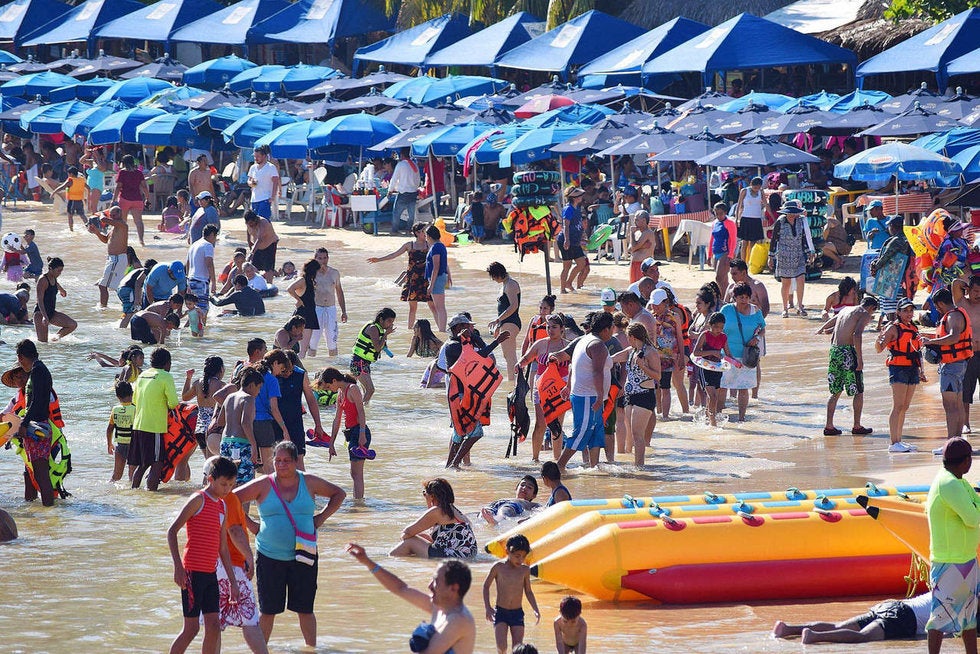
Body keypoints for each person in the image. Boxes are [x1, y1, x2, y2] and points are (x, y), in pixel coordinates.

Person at [233, 441, 346, 649]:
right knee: (268, 611)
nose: (282, 465)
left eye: (286, 461)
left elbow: (339, 494)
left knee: (305, 609)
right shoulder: (264, 484)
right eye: (277, 461)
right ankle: (261, 651)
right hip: (269, 556)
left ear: (296, 461)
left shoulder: (309, 482)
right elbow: (232, 499)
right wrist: (251, 526)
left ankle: (311, 649)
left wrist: (319, 519)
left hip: (304, 554)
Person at [347, 543, 477, 654]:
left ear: (453, 588)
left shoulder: (459, 619)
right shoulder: (439, 608)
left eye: (436, 581)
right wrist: (367, 562)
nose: (430, 586)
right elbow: (400, 589)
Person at [166, 455, 238, 654]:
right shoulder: (198, 499)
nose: (227, 489)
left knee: (214, 626)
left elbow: (222, 547)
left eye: (231, 485)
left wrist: (233, 582)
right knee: (191, 629)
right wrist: (178, 568)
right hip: (191, 573)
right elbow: (172, 532)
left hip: (210, 574)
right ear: (211, 480)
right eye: (223, 484)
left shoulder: (222, 505)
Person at [925, 437, 980, 654]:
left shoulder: (958, 481)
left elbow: (975, 506)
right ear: (966, 461)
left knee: (968, 617)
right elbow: (973, 518)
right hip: (949, 562)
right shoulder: (949, 484)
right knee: (939, 617)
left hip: (965, 559)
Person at [557, 311, 612, 470]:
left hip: (586, 395)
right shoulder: (597, 345)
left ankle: (593, 467)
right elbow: (597, 372)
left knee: (596, 433)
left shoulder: (584, 339)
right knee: (581, 433)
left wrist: (568, 386)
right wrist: (600, 396)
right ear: (606, 329)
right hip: (589, 396)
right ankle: (559, 466)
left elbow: (573, 365)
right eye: (612, 328)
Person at [817, 296, 878, 437]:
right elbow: (857, 335)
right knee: (858, 390)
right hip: (848, 352)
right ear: (871, 308)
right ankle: (857, 425)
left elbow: (834, 321)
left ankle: (829, 426)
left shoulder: (846, 310)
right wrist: (860, 358)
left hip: (834, 351)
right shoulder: (864, 313)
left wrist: (821, 328)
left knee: (835, 391)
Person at [772, 593, 931, 644]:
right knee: (865, 636)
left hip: (891, 605)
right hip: (903, 616)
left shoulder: (939, 592)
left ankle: (787, 629)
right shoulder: (955, 605)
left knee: (837, 625)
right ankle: (814, 636)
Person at [923, 288, 973, 444]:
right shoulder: (958, 313)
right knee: (957, 405)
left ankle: (951, 442)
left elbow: (953, 337)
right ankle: (957, 442)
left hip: (952, 367)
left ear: (940, 303)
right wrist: (931, 337)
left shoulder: (952, 316)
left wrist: (930, 342)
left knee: (950, 406)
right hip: (959, 365)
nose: (937, 309)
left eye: (937, 306)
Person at [875, 298, 925, 452]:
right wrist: (879, 339)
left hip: (912, 368)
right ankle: (893, 442)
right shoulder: (893, 328)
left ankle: (899, 440)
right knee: (898, 406)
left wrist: (922, 371)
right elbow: (879, 349)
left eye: (911, 310)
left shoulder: (913, 328)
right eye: (905, 310)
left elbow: (918, 352)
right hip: (898, 368)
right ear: (898, 312)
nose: (909, 313)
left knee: (905, 406)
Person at [518, 313, 569, 462]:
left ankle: (557, 459)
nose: (550, 330)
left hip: (561, 387)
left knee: (557, 425)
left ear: (562, 329)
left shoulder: (567, 345)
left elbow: (576, 366)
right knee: (540, 423)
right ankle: (535, 458)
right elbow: (526, 358)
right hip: (541, 387)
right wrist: (519, 365)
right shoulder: (540, 344)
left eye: (554, 327)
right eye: (548, 327)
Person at [367, 222, 434, 330]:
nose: (425, 233)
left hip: (426, 279)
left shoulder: (429, 244)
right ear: (417, 233)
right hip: (413, 279)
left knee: (432, 306)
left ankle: (441, 329)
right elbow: (394, 255)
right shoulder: (409, 245)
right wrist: (378, 259)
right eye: (423, 231)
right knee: (413, 308)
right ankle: (410, 330)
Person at [13, 339, 56, 505]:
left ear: (21, 357)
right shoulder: (39, 369)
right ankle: (39, 509)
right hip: (37, 424)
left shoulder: (38, 371)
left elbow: (37, 401)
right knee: (32, 471)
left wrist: (24, 423)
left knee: (40, 474)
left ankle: (49, 510)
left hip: (38, 427)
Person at [130, 347, 179, 491]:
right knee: (157, 462)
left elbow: (134, 400)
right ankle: (152, 495)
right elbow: (173, 403)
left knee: (144, 464)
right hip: (154, 427)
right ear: (167, 363)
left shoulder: (143, 375)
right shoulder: (165, 376)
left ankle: (134, 491)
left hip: (138, 425)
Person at [390, 477, 477, 558]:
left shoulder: (438, 511)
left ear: (432, 496)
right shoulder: (453, 510)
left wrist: (405, 539)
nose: (424, 495)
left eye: (425, 493)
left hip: (455, 555)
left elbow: (407, 532)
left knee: (409, 542)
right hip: (467, 555)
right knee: (421, 536)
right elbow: (437, 535)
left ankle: (390, 562)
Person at [610, 322, 661, 463]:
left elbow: (658, 376)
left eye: (628, 337)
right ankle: (629, 463)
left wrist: (643, 366)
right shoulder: (631, 351)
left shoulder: (650, 352)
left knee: (637, 434)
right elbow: (611, 358)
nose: (627, 340)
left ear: (632, 337)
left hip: (645, 395)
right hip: (629, 396)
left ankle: (640, 467)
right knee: (630, 435)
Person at [483, 534, 540, 654]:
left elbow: (528, 592)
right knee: (502, 648)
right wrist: (488, 608)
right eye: (517, 556)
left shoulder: (524, 570)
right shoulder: (498, 567)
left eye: (523, 557)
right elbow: (486, 586)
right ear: (507, 551)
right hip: (500, 612)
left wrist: (536, 609)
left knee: (517, 649)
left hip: (517, 613)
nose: (520, 560)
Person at [719, 283, 766, 422]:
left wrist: (757, 337)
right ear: (735, 297)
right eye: (740, 297)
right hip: (727, 354)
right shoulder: (726, 310)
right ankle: (718, 414)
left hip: (747, 355)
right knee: (723, 386)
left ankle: (741, 418)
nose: (744, 300)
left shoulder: (755, 311)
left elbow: (763, 328)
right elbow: (717, 327)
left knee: (743, 387)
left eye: (746, 297)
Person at [276, 350, 324, 472]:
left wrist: (318, 424)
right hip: (275, 423)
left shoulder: (301, 374)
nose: (287, 373)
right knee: (276, 460)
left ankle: (302, 490)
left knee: (298, 459)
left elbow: (311, 400)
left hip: (295, 422)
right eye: (284, 370)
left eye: (290, 370)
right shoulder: (273, 375)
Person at [769, 199, 816, 318]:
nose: (791, 215)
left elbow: (804, 238)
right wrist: (771, 256)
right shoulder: (780, 222)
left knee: (801, 279)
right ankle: (785, 308)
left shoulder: (800, 221)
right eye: (789, 213)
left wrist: (809, 252)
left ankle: (800, 306)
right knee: (786, 283)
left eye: (793, 213)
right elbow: (774, 240)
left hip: (798, 254)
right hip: (784, 255)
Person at [692, 312, 737, 428]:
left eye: (721, 327)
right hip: (704, 368)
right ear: (710, 325)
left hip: (717, 369)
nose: (719, 330)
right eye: (716, 327)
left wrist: (736, 362)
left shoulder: (723, 337)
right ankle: (713, 423)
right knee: (713, 396)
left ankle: (707, 419)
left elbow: (728, 354)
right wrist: (712, 352)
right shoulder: (704, 335)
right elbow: (696, 353)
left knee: (713, 398)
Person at [218, 368, 262, 486]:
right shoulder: (249, 398)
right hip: (241, 444)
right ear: (252, 385)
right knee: (245, 485)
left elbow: (220, 421)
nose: (259, 392)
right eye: (259, 388)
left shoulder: (229, 397)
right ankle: (242, 505)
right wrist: (254, 445)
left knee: (227, 482)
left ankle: (228, 505)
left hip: (225, 442)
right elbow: (245, 423)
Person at [251, 350, 290, 476]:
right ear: (275, 363)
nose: (280, 372)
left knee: (249, 463)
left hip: (247, 421)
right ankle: (273, 493)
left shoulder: (252, 374)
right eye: (281, 368)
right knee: (268, 466)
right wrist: (284, 429)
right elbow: (274, 408)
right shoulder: (272, 380)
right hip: (263, 423)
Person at [649, 289, 683, 421]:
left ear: (666, 302)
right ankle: (657, 412)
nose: (655, 307)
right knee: (654, 387)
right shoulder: (650, 317)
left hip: (669, 358)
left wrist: (680, 357)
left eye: (657, 304)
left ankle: (665, 416)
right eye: (653, 304)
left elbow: (679, 338)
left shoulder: (675, 317)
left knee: (666, 387)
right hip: (653, 358)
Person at [182, 356, 227, 455]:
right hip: (213, 430)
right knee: (216, 464)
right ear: (220, 369)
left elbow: (185, 397)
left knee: (209, 463)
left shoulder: (198, 383)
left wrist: (188, 378)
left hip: (199, 430)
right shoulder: (221, 385)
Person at [350, 307, 396, 404]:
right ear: (381, 319)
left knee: (363, 391)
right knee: (370, 390)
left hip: (364, 363)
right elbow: (378, 348)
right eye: (389, 321)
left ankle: (362, 409)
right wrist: (386, 334)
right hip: (359, 362)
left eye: (392, 322)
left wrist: (385, 335)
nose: (390, 324)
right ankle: (362, 411)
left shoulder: (379, 330)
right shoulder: (373, 328)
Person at [307, 248, 346, 358]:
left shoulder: (334, 273)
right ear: (315, 259)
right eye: (320, 258)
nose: (323, 261)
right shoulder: (311, 274)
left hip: (331, 308)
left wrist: (344, 311)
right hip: (316, 309)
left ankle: (334, 367)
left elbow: (339, 292)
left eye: (325, 258)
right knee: (313, 342)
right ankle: (311, 367)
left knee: (332, 341)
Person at [953, 275, 980, 433]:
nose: (978, 294)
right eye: (975, 291)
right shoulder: (963, 304)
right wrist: (968, 284)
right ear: (968, 290)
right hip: (968, 354)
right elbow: (955, 284)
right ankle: (965, 423)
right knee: (965, 391)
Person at [488, 261, 521, 381]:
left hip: (511, 322)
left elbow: (513, 306)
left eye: (493, 277)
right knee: (507, 355)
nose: (493, 280)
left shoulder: (511, 284)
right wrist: (499, 325)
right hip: (505, 323)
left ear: (497, 274)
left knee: (510, 356)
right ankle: (513, 382)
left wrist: (498, 320)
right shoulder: (505, 284)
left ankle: (514, 383)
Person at [33, 257, 76, 343]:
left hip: (51, 313)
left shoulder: (54, 277)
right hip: (40, 314)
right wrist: (45, 316)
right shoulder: (43, 280)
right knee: (43, 344)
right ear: (50, 269)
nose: (60, 273)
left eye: (61, 271)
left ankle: (54, 339)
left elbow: (56, 284)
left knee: (72, 324)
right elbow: (40, 300)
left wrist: (62, 291)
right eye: (58, 271)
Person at [285, 259, 320, 358]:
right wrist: (298, 300)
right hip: (305, 315)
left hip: (308, 313)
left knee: (303, 347)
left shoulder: (309, 281)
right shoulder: (303, 280)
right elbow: (289, 289)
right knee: (303, 349)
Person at [113, 154, 149, 246]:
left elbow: (118, 187)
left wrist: (113, 200)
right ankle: (141, 240)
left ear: (123, 163)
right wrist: (147, 198)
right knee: (138, 221)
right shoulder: (139, 173)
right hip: (137, 199)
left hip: (125, 199)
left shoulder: (122, 172)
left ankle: (123, 241)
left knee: (123, 221)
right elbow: (144, 186)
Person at [559, 186, 589, 294]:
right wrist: (566, 240)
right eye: (579, 195)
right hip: (566, 239)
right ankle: (562, 289)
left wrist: (582, 236)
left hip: (575, 240)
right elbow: (565, 226)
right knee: (567, 265)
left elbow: (578, 225)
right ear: (575, 198)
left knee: (581, 263)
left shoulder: (577, 208)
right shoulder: (568, 209)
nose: (581, 197)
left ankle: (569, 283)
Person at [187, 223, 217, 327]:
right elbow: (209, 263)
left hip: (191, 280)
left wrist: (187, 281)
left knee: (193, 310)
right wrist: (213, 282)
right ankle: (201, 335)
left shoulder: (194, 245)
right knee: (202, 310)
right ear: (212, 234)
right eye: (215, 237)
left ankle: (187, 330)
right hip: (201, 282)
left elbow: (187, 264)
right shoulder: (208, 245)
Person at [106, 380, 136, 482]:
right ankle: (133, 493)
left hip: (120, 445)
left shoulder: (115, 409)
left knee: (116, 475)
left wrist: (109, 444)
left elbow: (109, 429)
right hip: (133, 445)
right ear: (132, 394)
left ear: (117, 397)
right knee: (132, 474)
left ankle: (109, 489)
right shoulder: (135, 409)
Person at [389, 147, 421, 234]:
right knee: (411, 213)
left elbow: (394, 179)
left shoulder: (400, 165)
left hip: (403, 192)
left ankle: (394, 230)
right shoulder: (414, 165)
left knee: (397, 212)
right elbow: (418, 179)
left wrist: (390, 190)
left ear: (402, 155)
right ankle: (408, 229)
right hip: (413, 192)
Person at [425, 224, 450, 332]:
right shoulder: (440, 245)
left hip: (437, 278)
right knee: (439, 307)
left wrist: (431, 285)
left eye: (426, 236)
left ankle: (442, 330)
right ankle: (442, 329)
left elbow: (436, 266)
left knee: (440, 307)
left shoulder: (436, 247)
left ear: (429, 236)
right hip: (440, 277)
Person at [117, 258, 156, 328]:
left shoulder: (138, 270)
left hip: (121, 289)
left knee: (130, 312)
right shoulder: (147, 271)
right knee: (130, 313)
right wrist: (137, 300)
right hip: (128, 290)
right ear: (151, 267)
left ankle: (124, 328)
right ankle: (122, 331)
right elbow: (138, 283)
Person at [735, 176, 765, 262]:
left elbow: (765, 204)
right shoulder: (744, 191)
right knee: (744, 242)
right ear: (751, 184)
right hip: (746, 218)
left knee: (753, 242)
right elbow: (739, 205)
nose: (756, 189)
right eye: (755, 187)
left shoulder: (761, 192)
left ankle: (750, 262)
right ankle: (742, 262)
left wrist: (772, 217)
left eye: (758, 187)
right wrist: (737, 218)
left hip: (756, 218)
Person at [244, 209, 280, 284]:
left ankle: (269, 284)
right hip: (257, 246)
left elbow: (260, 239)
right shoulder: (248, 222)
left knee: (268, 267)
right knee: (253, 266)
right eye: (248, 224)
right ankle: (254, 282)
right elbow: (248, 230)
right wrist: (248, 240)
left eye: (252, 223)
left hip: (270, 244)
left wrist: (251, 253)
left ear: (255, 219)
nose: (251, 225)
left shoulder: (263, 222)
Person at [247, 144, 280, 221]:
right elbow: (249, 180)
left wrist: (272, 197)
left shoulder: (271, 167)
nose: (256, 158)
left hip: (265, 198)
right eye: (255, 156)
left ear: (264, 156)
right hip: (254, 199)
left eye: (258, 156)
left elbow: (275, 182)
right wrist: (251, 183)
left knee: (263, 221)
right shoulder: (253, 167)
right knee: (254, 222)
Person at [709, 202, 736, 293]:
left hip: (725, 253)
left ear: (725, 212)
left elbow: (733, 240)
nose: (718, 216)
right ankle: (727, 296)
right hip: (716, 252)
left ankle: (724, 297)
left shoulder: (730, 223)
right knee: (723, 280)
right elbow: (712, 239)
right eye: (716, 214)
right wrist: (709, 255)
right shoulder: (715, 223)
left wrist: (730, 255)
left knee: (719, 277)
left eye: (721, 213)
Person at [52, 165, 86, 231]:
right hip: (80, 200)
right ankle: (89, 227)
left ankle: (71, 230)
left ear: (71, 174)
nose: (68, 175)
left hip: (72, 201)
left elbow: (62, 187)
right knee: (82, 215)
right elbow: (88, 188)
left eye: (68, 174)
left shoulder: (70, 180)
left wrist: (54, 192)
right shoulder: (81, 180)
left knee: (70, 216)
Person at [626, 210, 656, 284]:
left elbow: (633, 248)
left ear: (644, 220)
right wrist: (642, 246)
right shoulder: (638, 233)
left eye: (636, 220)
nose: (634, 222)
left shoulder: (648, 232)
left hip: (643, 265)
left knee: (642, 287)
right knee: (633, 288)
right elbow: (629, 249)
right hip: (634, 264)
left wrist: (632, 233)